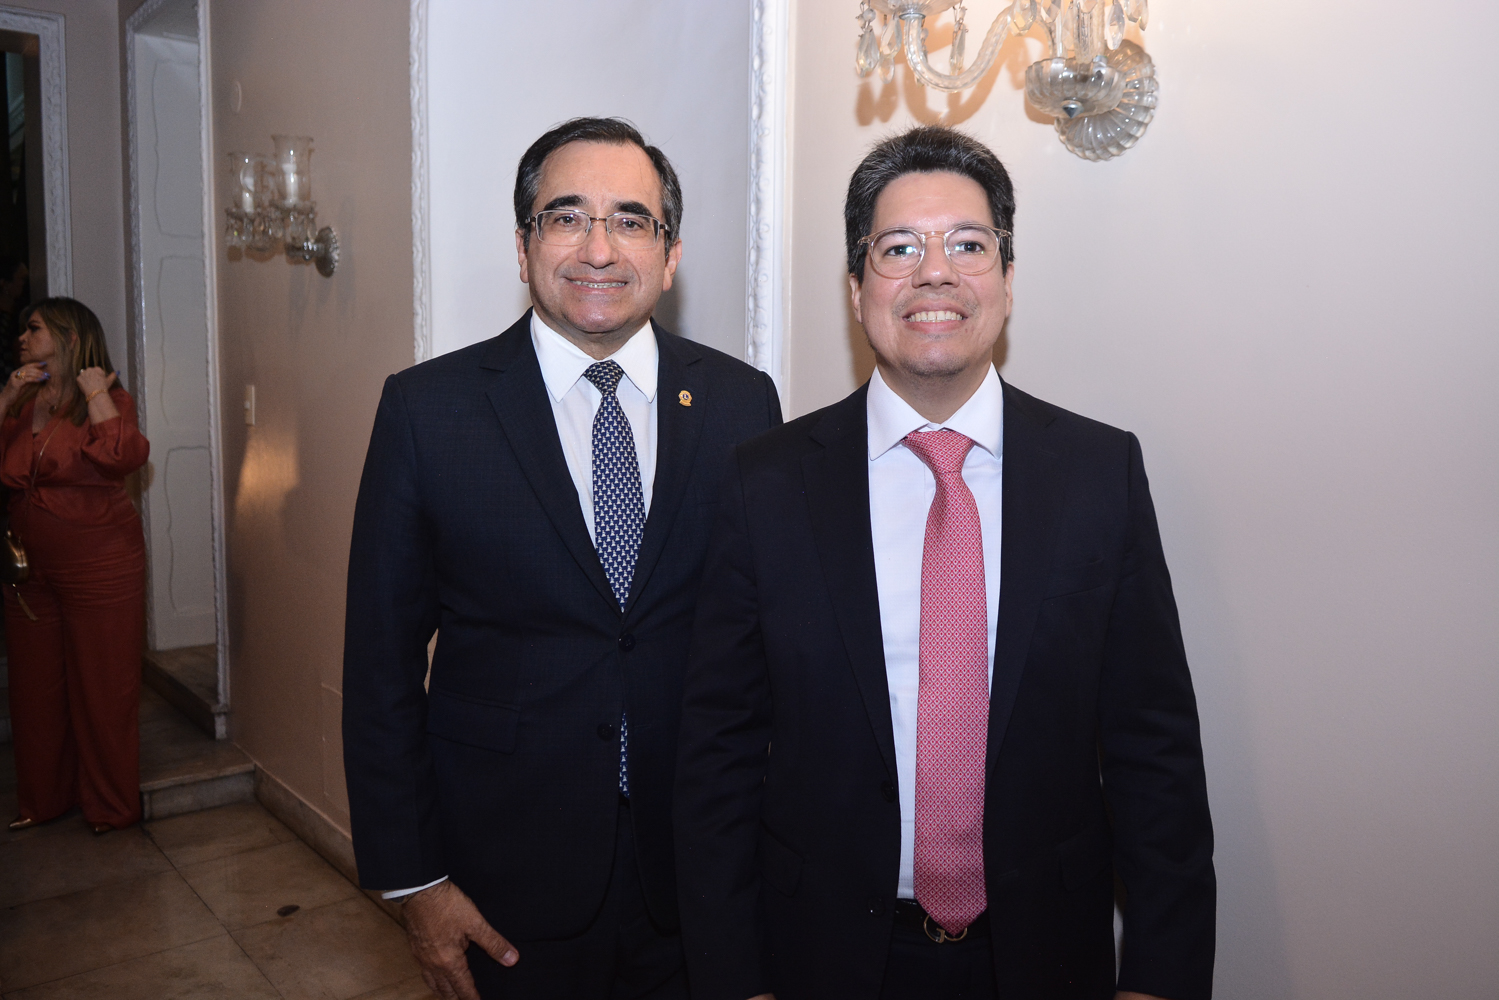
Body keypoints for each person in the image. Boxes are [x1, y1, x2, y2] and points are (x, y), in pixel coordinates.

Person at [674, 126, 1215, 1000]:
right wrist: (737, 979)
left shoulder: (1098, 473)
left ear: (1006, 277)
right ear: (856, 288)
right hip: (823, 956)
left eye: (968, 245)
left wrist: (1159, 976)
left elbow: (1153, 750)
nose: (935, 273)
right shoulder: (765, 483)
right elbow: (717, 756)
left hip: (1045, 956)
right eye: (898, 248)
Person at [342, 117, 783, 1000]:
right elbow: (379, 666)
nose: (598, 248)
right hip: (502, 879)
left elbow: (766, 646)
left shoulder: (742, 405)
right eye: (566, 217)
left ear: (669, 254)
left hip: (696, 871)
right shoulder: (428, 412)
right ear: (523, 246)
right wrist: (415, 882)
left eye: (631, 221)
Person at [1, 297, 149, 835]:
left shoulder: (108, 398)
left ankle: (111, 806)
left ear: (68, 338)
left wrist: (96, 394)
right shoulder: (24, 400)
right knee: (35, 689)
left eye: (34, 329)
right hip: (29, 573)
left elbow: (124, 456)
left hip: (101, 568)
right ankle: (43, 800)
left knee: (103, 689)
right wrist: (6, 397)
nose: (22, 338)